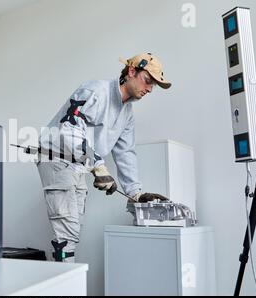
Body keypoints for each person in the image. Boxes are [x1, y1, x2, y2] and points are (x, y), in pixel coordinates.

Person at [37, 53, 171, 263]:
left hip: (80, 163)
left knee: (75, 225)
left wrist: (135, 193)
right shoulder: (96, 91)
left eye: (153, 85)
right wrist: (99, 167)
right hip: (56, 156)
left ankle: (66, 279)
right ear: (132, 72)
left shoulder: (127, 113)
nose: (149, 89)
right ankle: (66, 286)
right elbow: (70, 128)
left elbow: (125, 152)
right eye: (148, 80)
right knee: (67, 232)